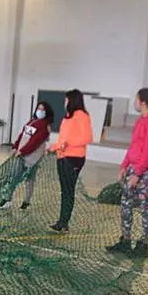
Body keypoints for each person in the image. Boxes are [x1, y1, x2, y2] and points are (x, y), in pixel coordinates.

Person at [106, 87, 148, 258]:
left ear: (143, 102)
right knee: (125, 204)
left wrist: (138, 174)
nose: (135, 102)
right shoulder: (141, 120)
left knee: (146, 207)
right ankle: (125, 240)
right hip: (134, 168)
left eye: (136, 99)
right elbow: (134, 146)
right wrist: (124, 166)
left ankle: (143, 245)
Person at [48, 89, 92, 232]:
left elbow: (87, 137)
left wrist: (66, 144)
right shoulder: (67, 118)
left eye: (67, 100)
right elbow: (63, 139)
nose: (65, 102)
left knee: (68, 191)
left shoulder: (82, 116)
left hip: (73, 158)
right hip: (62, 156)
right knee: (65, 191)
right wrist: (54, 147)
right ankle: (62, 221)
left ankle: (63, 222)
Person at [0, 101, 53, 210]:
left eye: (43, 109)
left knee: (29, 180)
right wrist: (15, 147)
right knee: (14, 176)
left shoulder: (45, 126)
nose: (40, 111)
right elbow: (22, 136)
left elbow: (35, 142)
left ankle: (26, 202)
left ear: (47, 112)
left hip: (33, 157)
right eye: (39, 109)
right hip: (21, 155)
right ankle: (7, 199)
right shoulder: (32, 122)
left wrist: (23, 151)